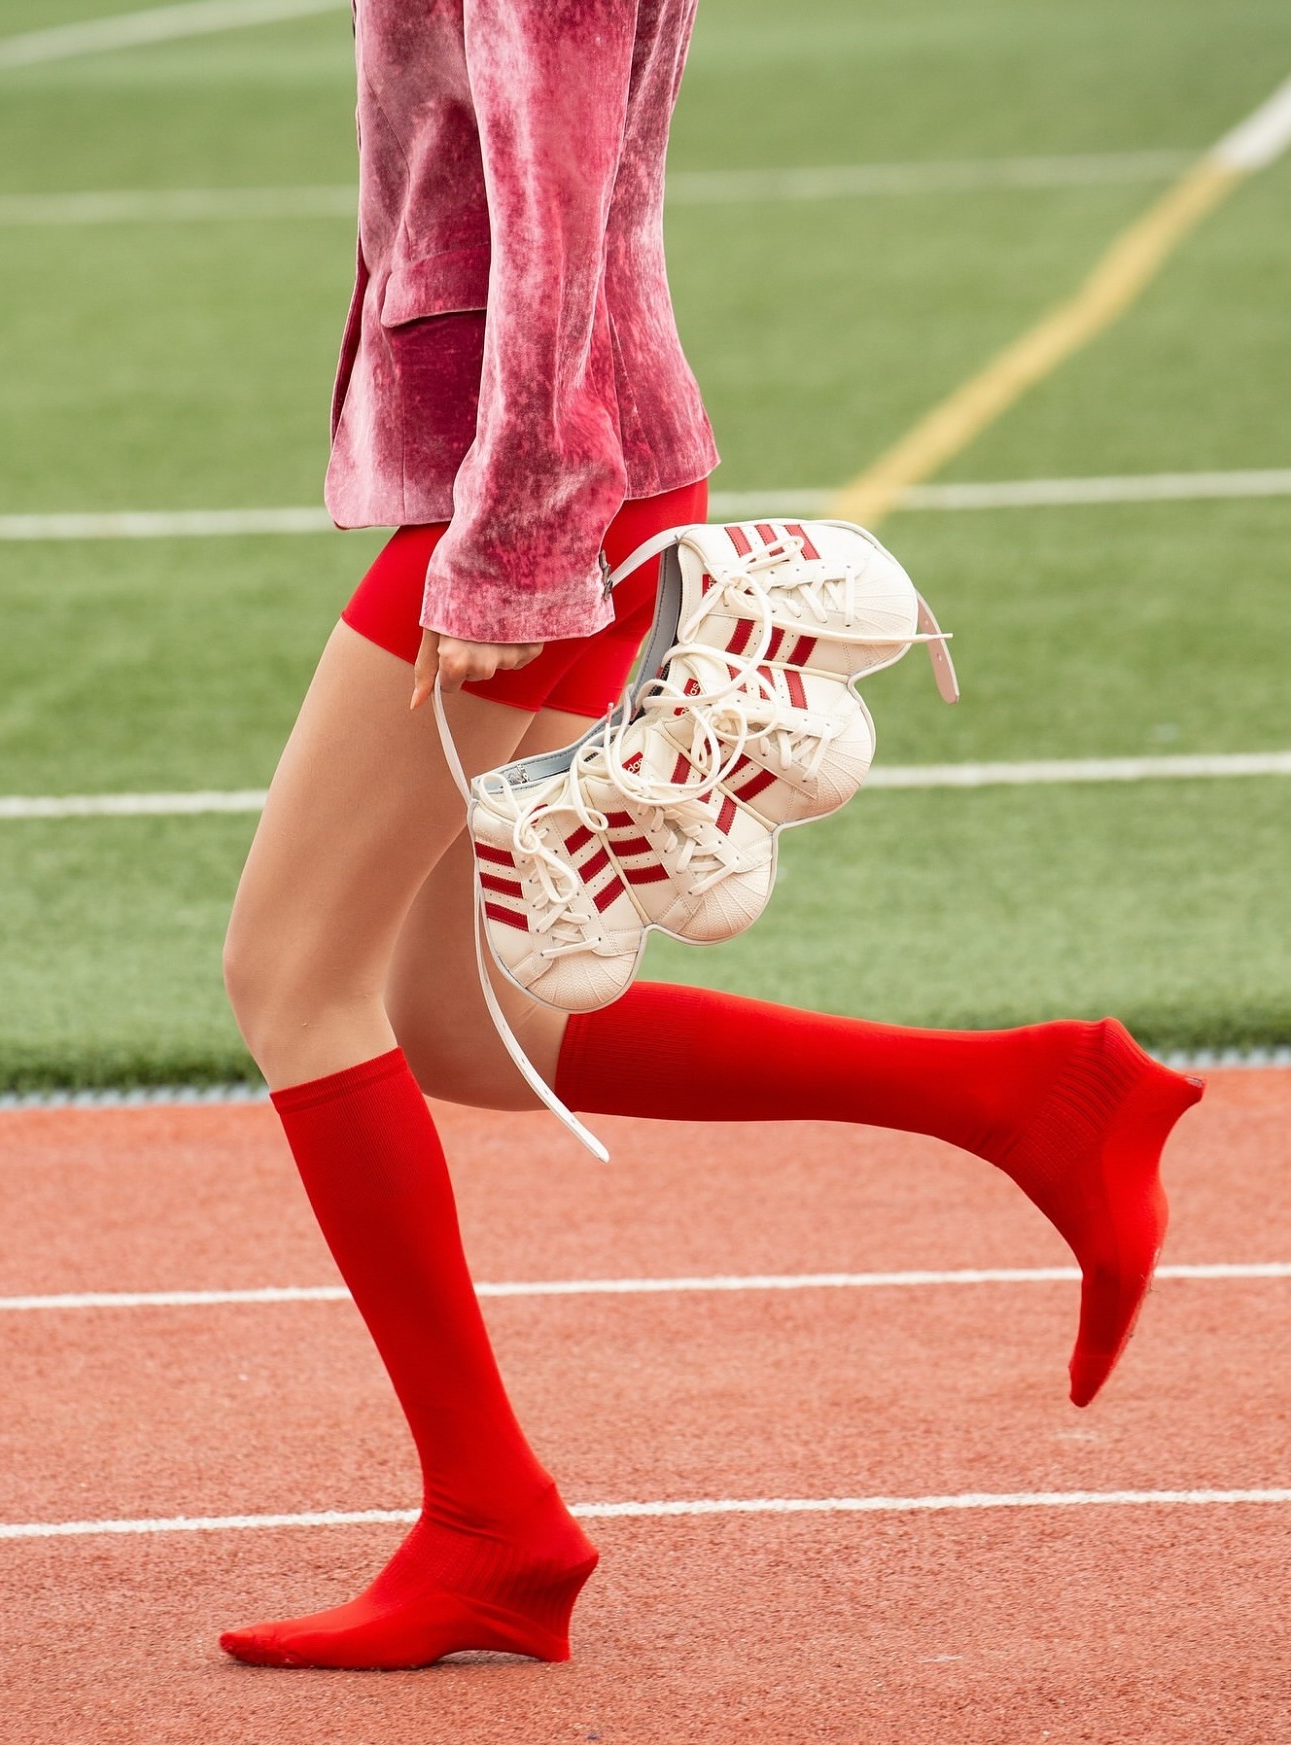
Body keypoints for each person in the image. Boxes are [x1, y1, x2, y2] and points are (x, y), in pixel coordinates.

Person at [217, 0, 1202, 1673]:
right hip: (553, 473)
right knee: (463, 1015)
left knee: (289, 977)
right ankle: (1032, 1098)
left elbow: (552, 199)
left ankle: (492, 1521)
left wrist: (511, 548)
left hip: (534, 491)